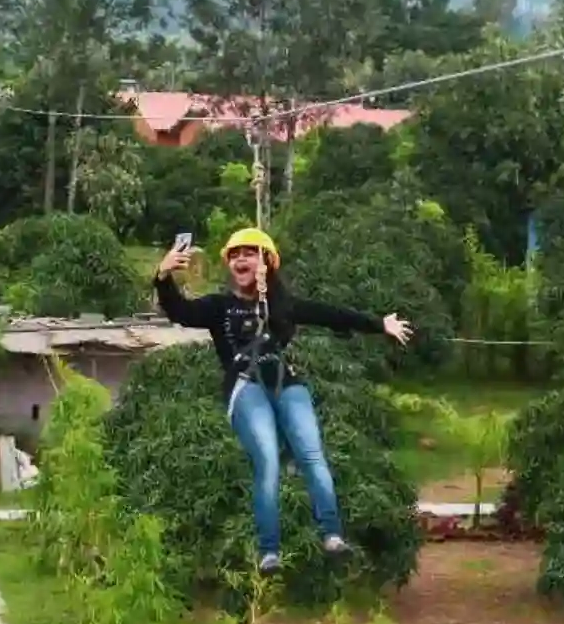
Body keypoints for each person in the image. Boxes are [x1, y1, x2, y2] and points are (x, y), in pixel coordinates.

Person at [154, 227, 413, 575]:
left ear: (267, 263)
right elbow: (180, 312)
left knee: (311, 454)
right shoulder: (218, 307)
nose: (241, 260)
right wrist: (163, 276)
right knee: (267, 460)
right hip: (245, 386)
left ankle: (332, 535)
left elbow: (331, 314)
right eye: (235, 255)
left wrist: (379, 324)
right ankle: (269, 551)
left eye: (249, 253)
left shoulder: (280, 306)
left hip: (284, 381)